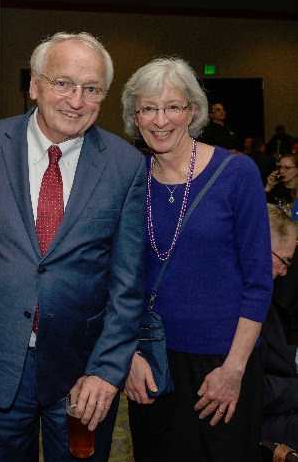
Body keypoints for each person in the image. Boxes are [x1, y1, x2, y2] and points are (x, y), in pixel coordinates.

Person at [0, 31, 146, 461]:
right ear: (34, 85)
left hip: (83, 377)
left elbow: (128, 284)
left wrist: (106, 370)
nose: (76, 100)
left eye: (91, 89)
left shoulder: (126, 166)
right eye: (63, 83)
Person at [121, 57, 273, 462]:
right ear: (135, 117)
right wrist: (129, 357)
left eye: (173, 106)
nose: (160, 119)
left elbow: (259, 283)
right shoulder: (130, 180)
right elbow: (120, 281)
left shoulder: (236, 172)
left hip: (222, 364)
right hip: (152, 362)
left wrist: (235, 369)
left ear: (193, 110)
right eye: (148, 108)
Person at [262, 204, 298, 448]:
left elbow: (272, 352)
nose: (285, 272)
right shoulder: (230, 297)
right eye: (284, 261)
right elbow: (253, 390)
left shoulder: (259, 290)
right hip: (248, 423)